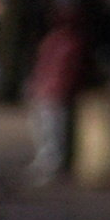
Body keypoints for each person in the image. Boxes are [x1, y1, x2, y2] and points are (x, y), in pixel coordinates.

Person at [29, 11, 89, 183]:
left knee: (53, 128)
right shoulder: (58, 41)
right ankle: (47, 160)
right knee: (47, 127)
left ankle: (52, 162)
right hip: (49, 89)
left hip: (54, 89)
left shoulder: (64, 43)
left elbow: (59, 68)